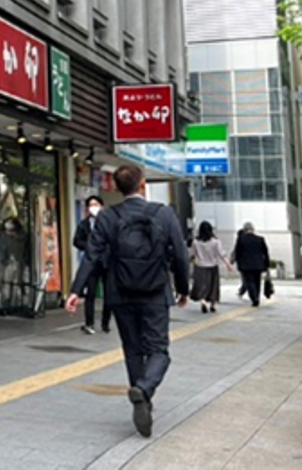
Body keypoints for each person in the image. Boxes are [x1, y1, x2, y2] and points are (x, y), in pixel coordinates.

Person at [66, 165, 190, 438]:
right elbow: (181, 254)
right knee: (158, 350)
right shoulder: (164, 213)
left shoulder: (108, 216)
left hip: (120, 292)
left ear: (116, 187)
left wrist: (76, 290)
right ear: (142, 184)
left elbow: (92, 254)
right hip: (155, 292)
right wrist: (183, 289)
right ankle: (144, 390)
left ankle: (141, 397)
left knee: (133, 350)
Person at [72, 196, 111, 335]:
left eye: (96, 204)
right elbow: (77, 241)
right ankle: (89, 323)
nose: (93, 207)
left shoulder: (109, 223)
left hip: (107, 262)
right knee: (90, 294)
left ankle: (105, 323)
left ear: (102, 206)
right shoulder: (83, 224)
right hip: (92, 263)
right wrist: (89, 246)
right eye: (90, 205)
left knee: (109, 294)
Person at [190, 221, 232, 313]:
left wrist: (194, 263)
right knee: (213, 286)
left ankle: (203, 301)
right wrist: (228, 264)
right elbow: (222, 254)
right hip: (212, 266)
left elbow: (193, 254)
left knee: (202, 285)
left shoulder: (196, 241)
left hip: (200, 266)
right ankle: (213, 304)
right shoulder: (216, 241)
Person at [231, 223, 270, 307]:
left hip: (245, 265)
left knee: (249, 281)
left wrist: (236, 262)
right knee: (257, 281)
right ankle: (257, 297)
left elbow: (237, 252)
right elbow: (265, 253)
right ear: (253, 229)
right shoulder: (260, 239)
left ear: (244, 230)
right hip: (258, 265)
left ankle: (254, 297)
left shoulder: (241, 240)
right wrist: (267, 265)